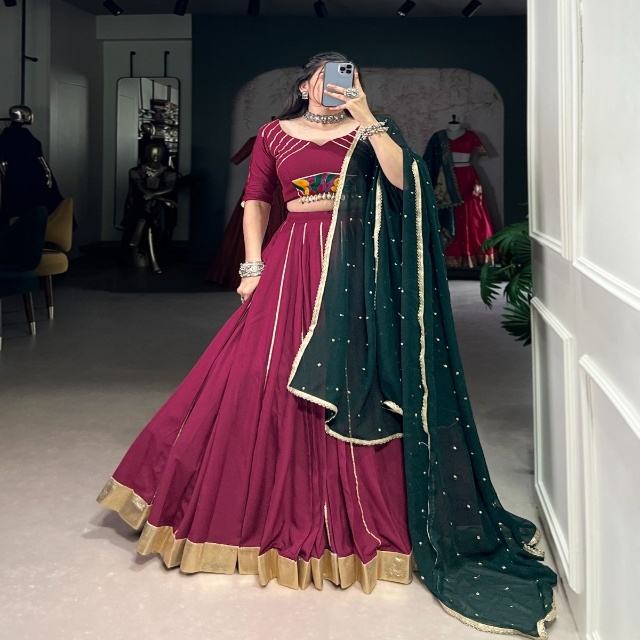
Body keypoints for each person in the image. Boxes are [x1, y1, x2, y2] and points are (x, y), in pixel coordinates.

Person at [96, 52, 557, 638]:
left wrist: (367, 118)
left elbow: (406, 184)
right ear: (304, 82)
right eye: (325, 75)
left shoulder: (371, 130)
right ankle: (246, 506)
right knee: (255, 374)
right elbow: (257, 199)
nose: (334, 84)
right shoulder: (274, 134)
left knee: (358, 377)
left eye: (347, 75)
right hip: (291, 261)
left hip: (355, 268)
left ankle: (361, 517)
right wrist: (252, 267)